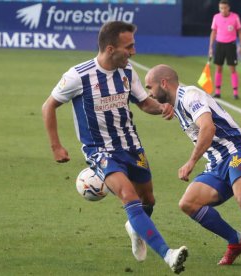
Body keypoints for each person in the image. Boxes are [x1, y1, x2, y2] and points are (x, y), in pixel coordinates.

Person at [41, 21, 188, 274]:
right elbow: (48, 106)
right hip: (100, 150)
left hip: (131, 145)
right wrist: (56, 146)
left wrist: (161, 107)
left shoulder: (128, 71)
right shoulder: (79, 75)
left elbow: (143, 103)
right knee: (128, 196)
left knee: (148, 200)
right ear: (110, 48)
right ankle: (168, 254)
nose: (133, 52)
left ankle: (134, 227)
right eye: (128, 46)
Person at [144, 64, 241, 269]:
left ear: (164, 83)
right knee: (188, 203)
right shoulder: (177, 103)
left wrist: (191, 161)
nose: (149, 92)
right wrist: (165, 105)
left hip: (237, 149)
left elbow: (208, 127)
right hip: (217, 161)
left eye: (150, 87)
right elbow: (156, 105)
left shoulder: (190, 96)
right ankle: (236, 241)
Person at [209, 0, 241, 100]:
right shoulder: (216, 17)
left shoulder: (235, 17)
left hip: (231, 45)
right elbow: (213, 32)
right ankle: (217, 92)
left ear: (228, 8)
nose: (223, 10)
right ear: (219, 8)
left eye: (225, 8)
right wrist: (211, 47)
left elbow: (240, 31)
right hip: (219, 45)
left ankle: (235, 92)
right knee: (218, 68)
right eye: (221, 8)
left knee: (232, 69)